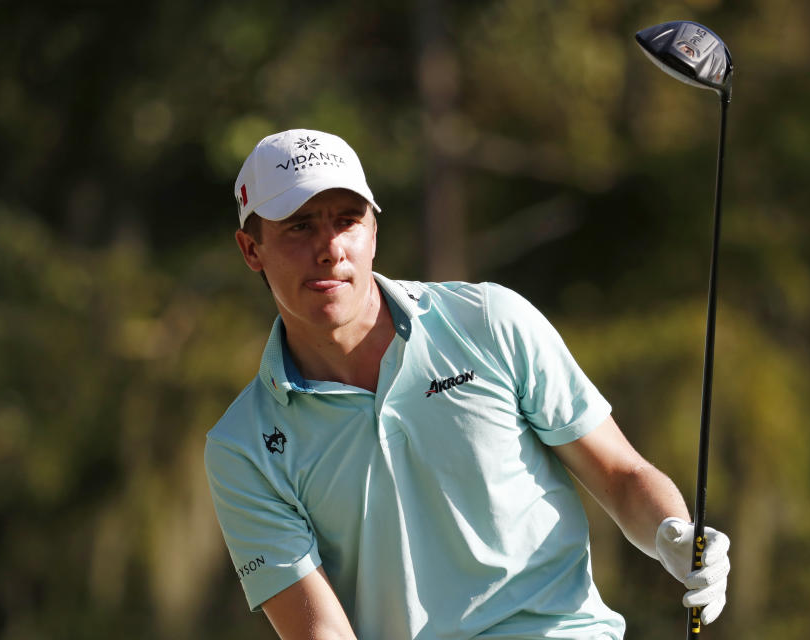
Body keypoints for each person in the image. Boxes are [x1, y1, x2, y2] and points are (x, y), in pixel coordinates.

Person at [204, 129, 730, 639]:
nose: (331, 248)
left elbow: (620, 473)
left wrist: (673, 536)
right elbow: (320, 632)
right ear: (252, 250)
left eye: (348, 220)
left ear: (373, 232)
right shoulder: (244, 446)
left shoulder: (488, 321)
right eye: (300, 226)